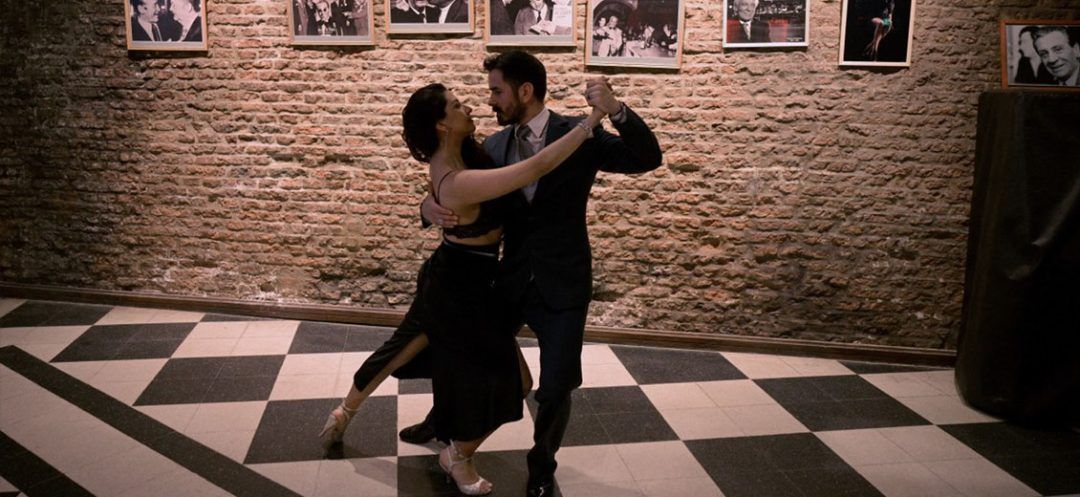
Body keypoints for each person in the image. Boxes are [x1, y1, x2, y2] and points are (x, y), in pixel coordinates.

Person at [320, 77, 610, 495]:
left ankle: (349, 414)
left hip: (467, 279)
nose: (470, 107)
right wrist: (591, 122)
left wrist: (426, 205)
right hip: (457, 287)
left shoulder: (466, 154)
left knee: (406, 346)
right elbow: (536, 167)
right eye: (457, 106)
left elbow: (435, 192)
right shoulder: (457, 179)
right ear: (441, 125)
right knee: (433, 355)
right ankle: (457, 455)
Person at [418, 50, 662, 497]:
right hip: (507, 280)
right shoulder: (493, 146)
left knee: (555, 386)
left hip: (564, 281)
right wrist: (426, 207)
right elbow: (448, 179)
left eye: (497, 90)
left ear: (524, 91)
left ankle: (542, 465)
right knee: (470, 356)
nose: (490, 100)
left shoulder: (577, 134)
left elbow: (646, 158)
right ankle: (447, 427)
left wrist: (618, 112)